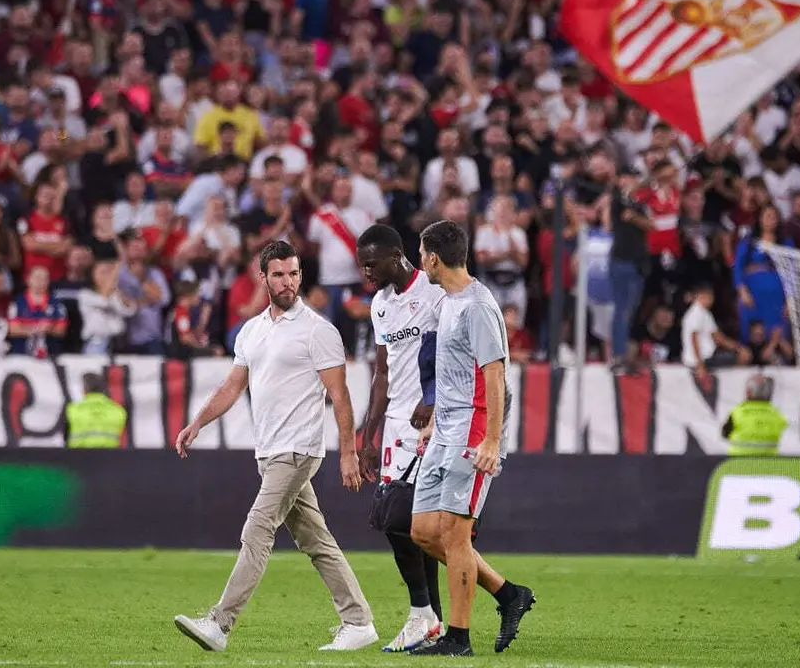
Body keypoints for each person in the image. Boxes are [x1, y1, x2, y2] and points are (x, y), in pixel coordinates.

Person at [172, 240, 377, 653]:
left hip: (298, 449)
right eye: (280, 274)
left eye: (295, 273)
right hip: (269, 450)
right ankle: (358, 621)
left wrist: (349, 452)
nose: (289, 281)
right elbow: (234, 384)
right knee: (317, 542)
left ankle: (220, 623)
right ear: (262, 277)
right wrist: (197, 422)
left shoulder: (319, 331)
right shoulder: (252, 330)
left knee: (257, 528)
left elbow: (339, 396)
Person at [408, 220, 535, 657]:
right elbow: (454, 374)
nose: (420, 260)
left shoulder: (479, 306)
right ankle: (507, 594)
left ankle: (457, 638)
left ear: (433, 258)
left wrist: (492, 441)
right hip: (444, 429)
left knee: (455, 534)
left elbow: (495, 377)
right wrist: (432, 423)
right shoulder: (449, 303)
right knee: (424, 531)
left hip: (473, 430)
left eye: (421, 253)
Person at [355, 223, 445, 652]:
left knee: (401, 522)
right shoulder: (380, 305)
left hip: (429, 426)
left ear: (396, 256)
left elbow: (451, 353)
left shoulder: (433, 292)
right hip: (393, 428)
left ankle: (421, 612)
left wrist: (431, 397)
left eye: (371, 264)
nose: (366, 274)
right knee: (411, 528)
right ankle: (434, 619)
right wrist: (368, 434)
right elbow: (382, 372)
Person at [721, 374, 789, 456]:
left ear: (748, 392)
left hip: (738, 464)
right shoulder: (777, 415)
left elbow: (724, 434)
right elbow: (783, 427)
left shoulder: (737, 413)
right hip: (768, 464)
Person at [65, 373, 127, 448]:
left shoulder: (72, 410)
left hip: (78, 457)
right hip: (109, 458)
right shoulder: (118, 411)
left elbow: (66, 438)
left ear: (85, 389)